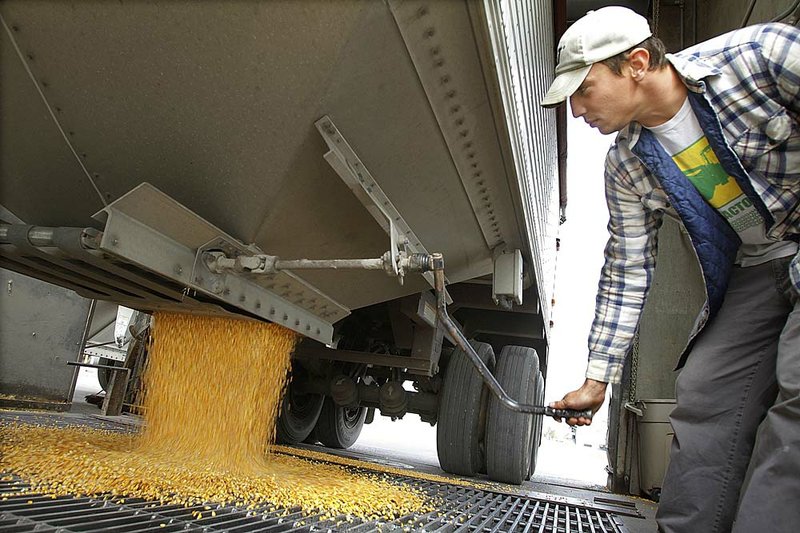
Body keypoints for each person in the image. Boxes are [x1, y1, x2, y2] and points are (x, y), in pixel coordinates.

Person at [540, 6, 799, 533]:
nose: (575, 110)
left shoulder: (762, 56)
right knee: (705, 393)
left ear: (636, 63)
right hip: (757, 265)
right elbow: (628, 269)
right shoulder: (627, 164)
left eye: (584, 89)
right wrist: (597, 379)